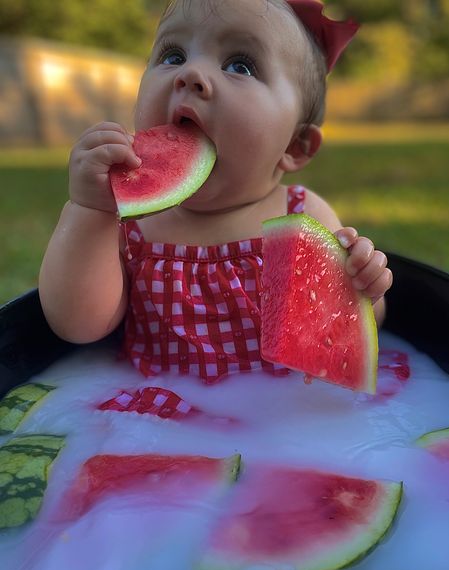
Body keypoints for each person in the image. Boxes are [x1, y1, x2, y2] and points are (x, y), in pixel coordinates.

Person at [39, 0, 393, 384]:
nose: (190, 74)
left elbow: (339, 336)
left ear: (295, 146)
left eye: (240, 65)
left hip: (277, 413)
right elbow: (78, 325)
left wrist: (362, 293)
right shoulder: (128, 221)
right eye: (173, 55)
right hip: (153, 410)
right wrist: (91, 210)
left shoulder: (303, 214)